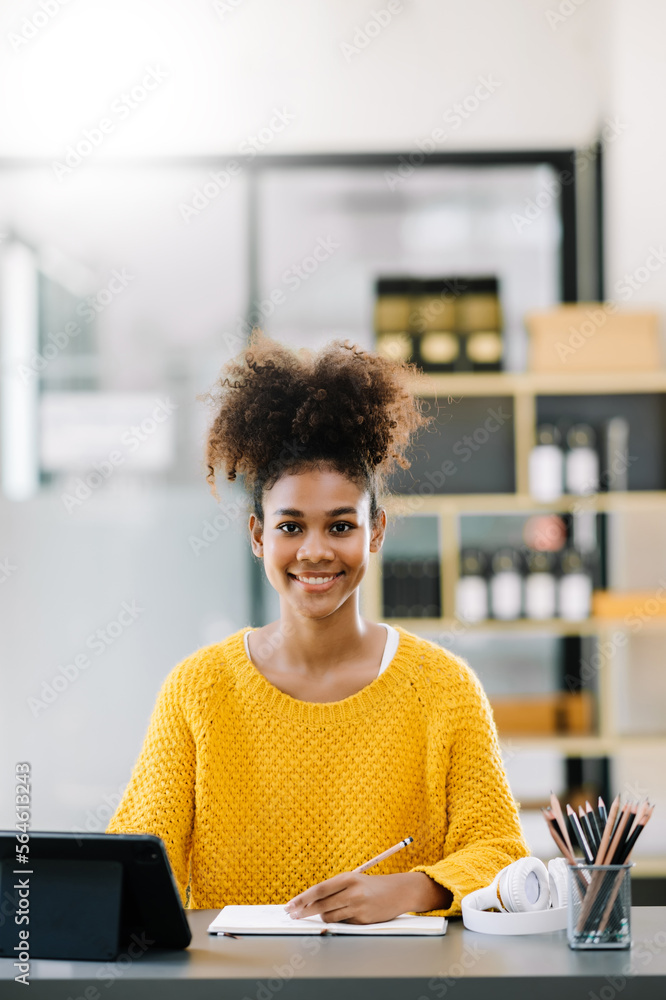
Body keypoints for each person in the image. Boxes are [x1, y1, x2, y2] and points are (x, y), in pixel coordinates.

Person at [106, 330, 530, 922]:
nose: (314, 552)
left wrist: (415, 888)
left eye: (339, 526)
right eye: (289, 527)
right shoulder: (198, 689)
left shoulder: (443, 687)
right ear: (257, 535)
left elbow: (500, 853)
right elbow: (139, 858)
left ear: (375, 531)